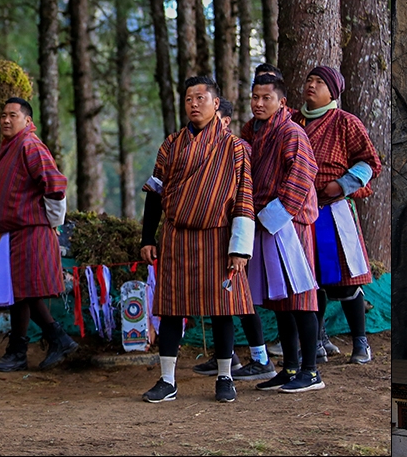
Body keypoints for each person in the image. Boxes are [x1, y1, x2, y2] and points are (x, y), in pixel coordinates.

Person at [139, 76, 256, 404]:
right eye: (189, 98)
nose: (194, 104)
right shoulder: (172, 144)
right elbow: (154, 193)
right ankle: (167, 380)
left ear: (216, 104)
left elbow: (245, 199)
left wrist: (239, 249)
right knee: (172, 309)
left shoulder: (234, 148)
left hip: (218, 237)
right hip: (176, 236)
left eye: (201, 98)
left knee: (222, 310)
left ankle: (225, 377)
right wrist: (148, 237)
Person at [192, 64, 286, 380]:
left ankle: (260, 358)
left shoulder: (237, 148)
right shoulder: (203, 147)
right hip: (222, 232)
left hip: (243, 230)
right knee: (226, 298)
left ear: (225, 120)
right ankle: (228, 356)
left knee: (241, 296)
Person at [240, 72, 328, 392]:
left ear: (282, 102)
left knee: (301, 298)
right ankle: (290, 368)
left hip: (290, 224)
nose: (259, 103)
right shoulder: (257, 132)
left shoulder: (291, 131)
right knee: (281, 301)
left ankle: (311, 371)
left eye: (266, 98)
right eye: (255, 97)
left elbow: (304, 175)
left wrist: (275, 215)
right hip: (267, 222)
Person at [295, 65, 384, 364]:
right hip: (300, 209)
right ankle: (318, 340)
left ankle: (361, 343)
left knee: (345, 279)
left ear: (332, 92)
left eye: (319, 82)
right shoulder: (293, 121)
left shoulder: (346, 122)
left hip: (334, 210)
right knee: (310, 277)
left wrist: (341, 184)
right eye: (309, 80)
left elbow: (370, 162)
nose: (312, 85)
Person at [0, 97, 77, 372]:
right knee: (17, 292)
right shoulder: (11, 146)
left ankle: (55, 338)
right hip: (13, 232)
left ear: (28, 121)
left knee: (26, 291)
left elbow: (55, 183)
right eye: (3, 115)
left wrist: (52, 220)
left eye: (13, 115)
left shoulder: (29, 144)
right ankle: (20, 350)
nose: (6, 120)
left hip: (30, 230)